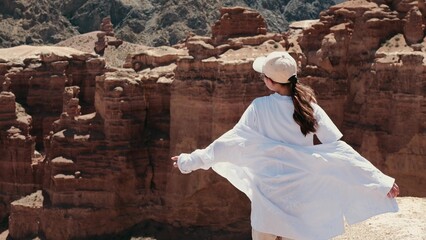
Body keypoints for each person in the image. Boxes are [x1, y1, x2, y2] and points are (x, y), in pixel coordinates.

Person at [171, 51, 399, 240]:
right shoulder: (309, 107)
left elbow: (229, 143)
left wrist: (189, 161)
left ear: (270, 81)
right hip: (301, 197)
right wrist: (379, 181)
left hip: (267, 197)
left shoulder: (258, 107)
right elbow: (340, 150)